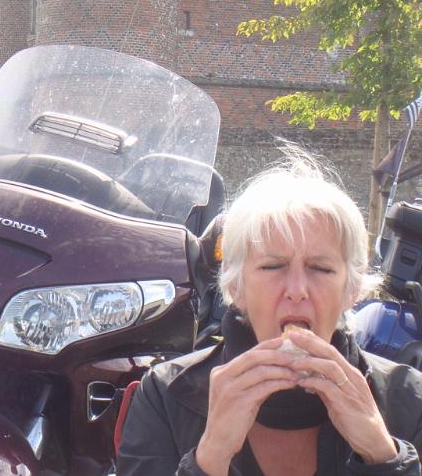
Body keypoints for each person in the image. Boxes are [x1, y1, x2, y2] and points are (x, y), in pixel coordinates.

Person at [117, 149, 422, 475]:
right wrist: (211, 454)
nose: (297, 289)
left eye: (321, 268)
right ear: (236, 287)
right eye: (273, 266)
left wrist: (383, 455)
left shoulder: (409, 399)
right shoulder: (166, 396)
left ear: (351, 289)